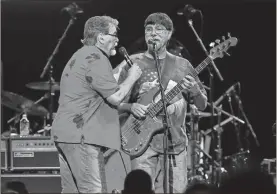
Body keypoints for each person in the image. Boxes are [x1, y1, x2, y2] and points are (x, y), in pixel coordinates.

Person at [115, 12, 207, 193]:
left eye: (159, 29)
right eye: (148, 29)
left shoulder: (183, 65)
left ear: (169, 34)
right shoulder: (132, 63)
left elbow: (202, 104)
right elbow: (112, 100)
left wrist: (195, 90)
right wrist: (130, 106)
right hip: (140, 144)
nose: (153, 33)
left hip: (175, 144)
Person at [51, 16, 142, 193]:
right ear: (101, 37)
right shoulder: (96, 57)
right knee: (92, 190)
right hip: (83, 137)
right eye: (114, 35)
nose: (117, 40)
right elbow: (116, 97)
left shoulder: (79, 55)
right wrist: (132, 77)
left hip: (67, 136)